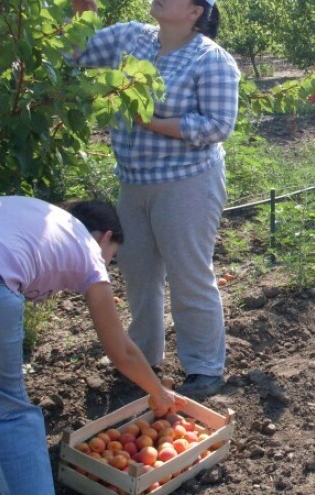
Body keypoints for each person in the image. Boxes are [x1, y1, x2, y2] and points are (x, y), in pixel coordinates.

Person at [69, 0, 240, 398]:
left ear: (195, 12)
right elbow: (76, 52)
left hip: (187, 182)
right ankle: (142, 356)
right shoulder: (131, 37)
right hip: (133, 180)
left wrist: (148, 120)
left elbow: (217, 125)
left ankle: (204, 369)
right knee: (139, 272)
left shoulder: (210, 60)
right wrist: (81, 12)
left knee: (188, 274)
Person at [0, 196, 184, 495]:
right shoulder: (88, 249)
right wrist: (158, 392)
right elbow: (121, 351)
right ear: (106, 237)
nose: (106, 264)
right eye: (112, 256)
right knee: (12, 414)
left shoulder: (37, 213)